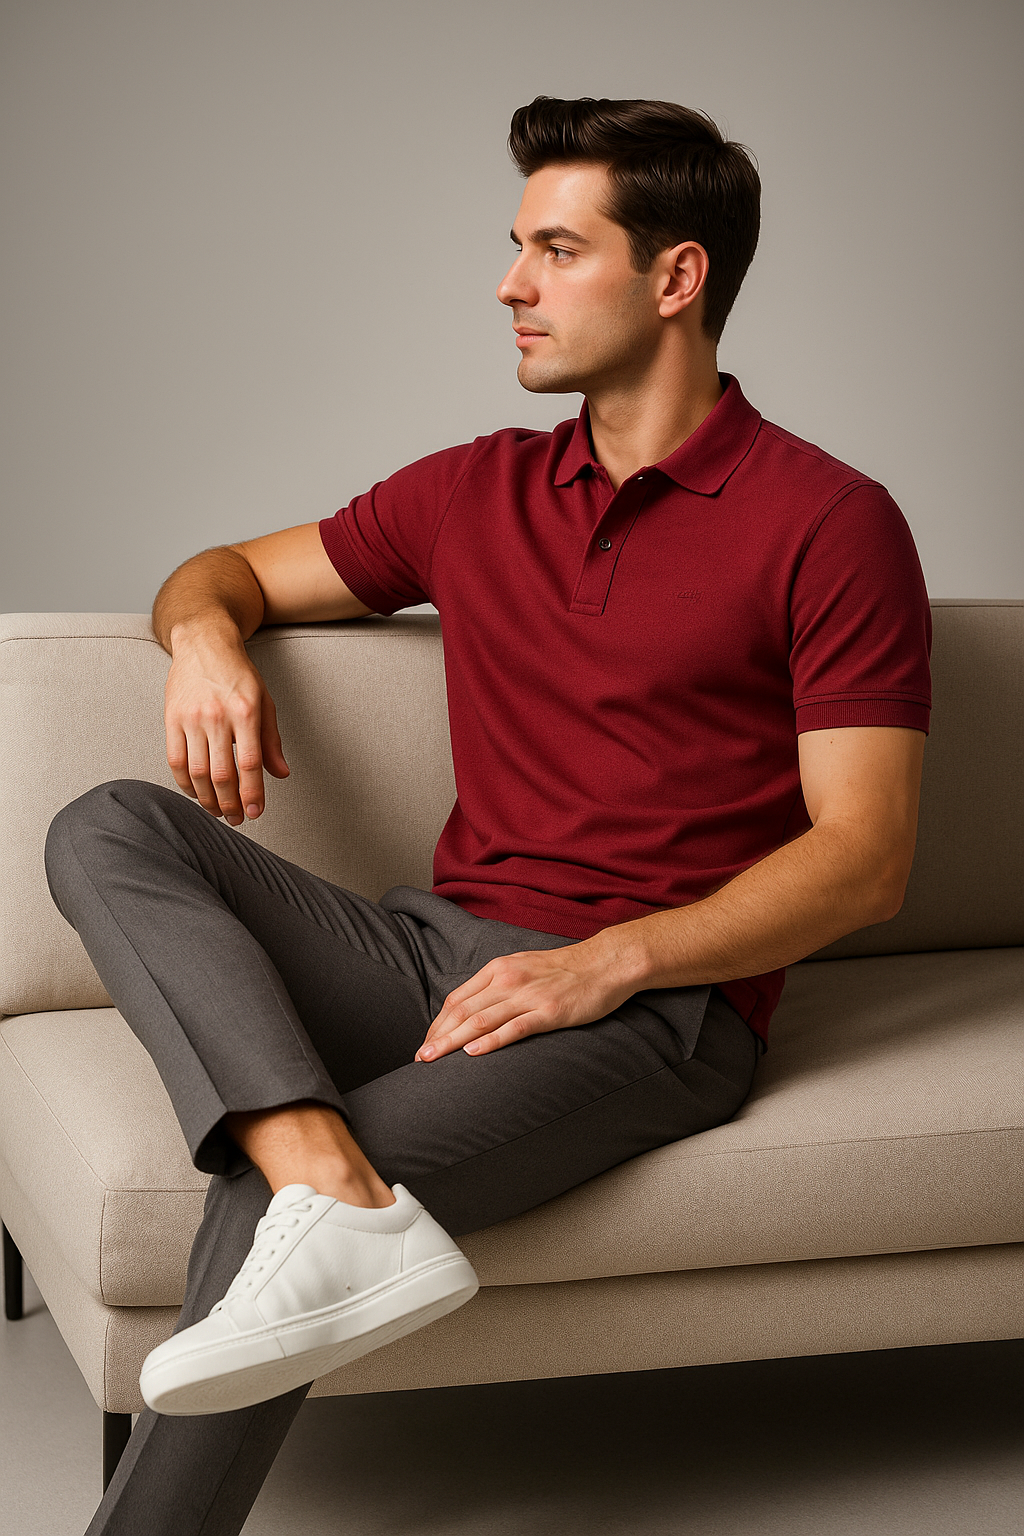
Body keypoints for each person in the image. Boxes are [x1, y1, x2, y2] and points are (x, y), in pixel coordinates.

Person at [44, 95, 931, 1536]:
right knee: (106, 824)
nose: (510, 284)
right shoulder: (479, 490)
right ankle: (330, 1176)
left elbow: (865, 859)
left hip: (657, 1012)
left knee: (259, 1222)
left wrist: (613, 961)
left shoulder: (829, 522)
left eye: (555, 249)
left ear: (677, 276)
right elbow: (221, 572)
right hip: (427, 949)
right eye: (515, 246)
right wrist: (204, 639)